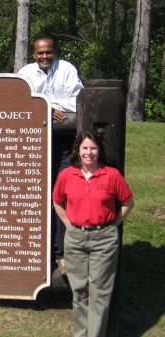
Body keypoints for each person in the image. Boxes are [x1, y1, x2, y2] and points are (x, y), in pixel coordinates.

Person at [53, 130, 134, 337]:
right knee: (79, 291)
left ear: (99, 150)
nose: (89, 153)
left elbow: (127, 202)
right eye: (85, 148)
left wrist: (113, 223)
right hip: (75, 238)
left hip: (104, 240)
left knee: (100, 292)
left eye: (93, 148)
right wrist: (68, 223)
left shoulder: (112, 175)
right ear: (78, 150)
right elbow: (57, 200)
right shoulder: (67, 175)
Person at [18, 36, 84, 274]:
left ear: (54, 52)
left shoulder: (66, 69)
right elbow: (19, 102)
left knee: (62, 197)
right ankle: (38, 253)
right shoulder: (25, 72)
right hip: (35, 144)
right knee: (35, 197)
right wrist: (48, 106)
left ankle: (62, 254)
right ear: (33, 54)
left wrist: (43, 104)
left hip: (64, 143)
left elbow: (77, 101)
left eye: (49, 52)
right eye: (40, 53)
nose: (45, 57)